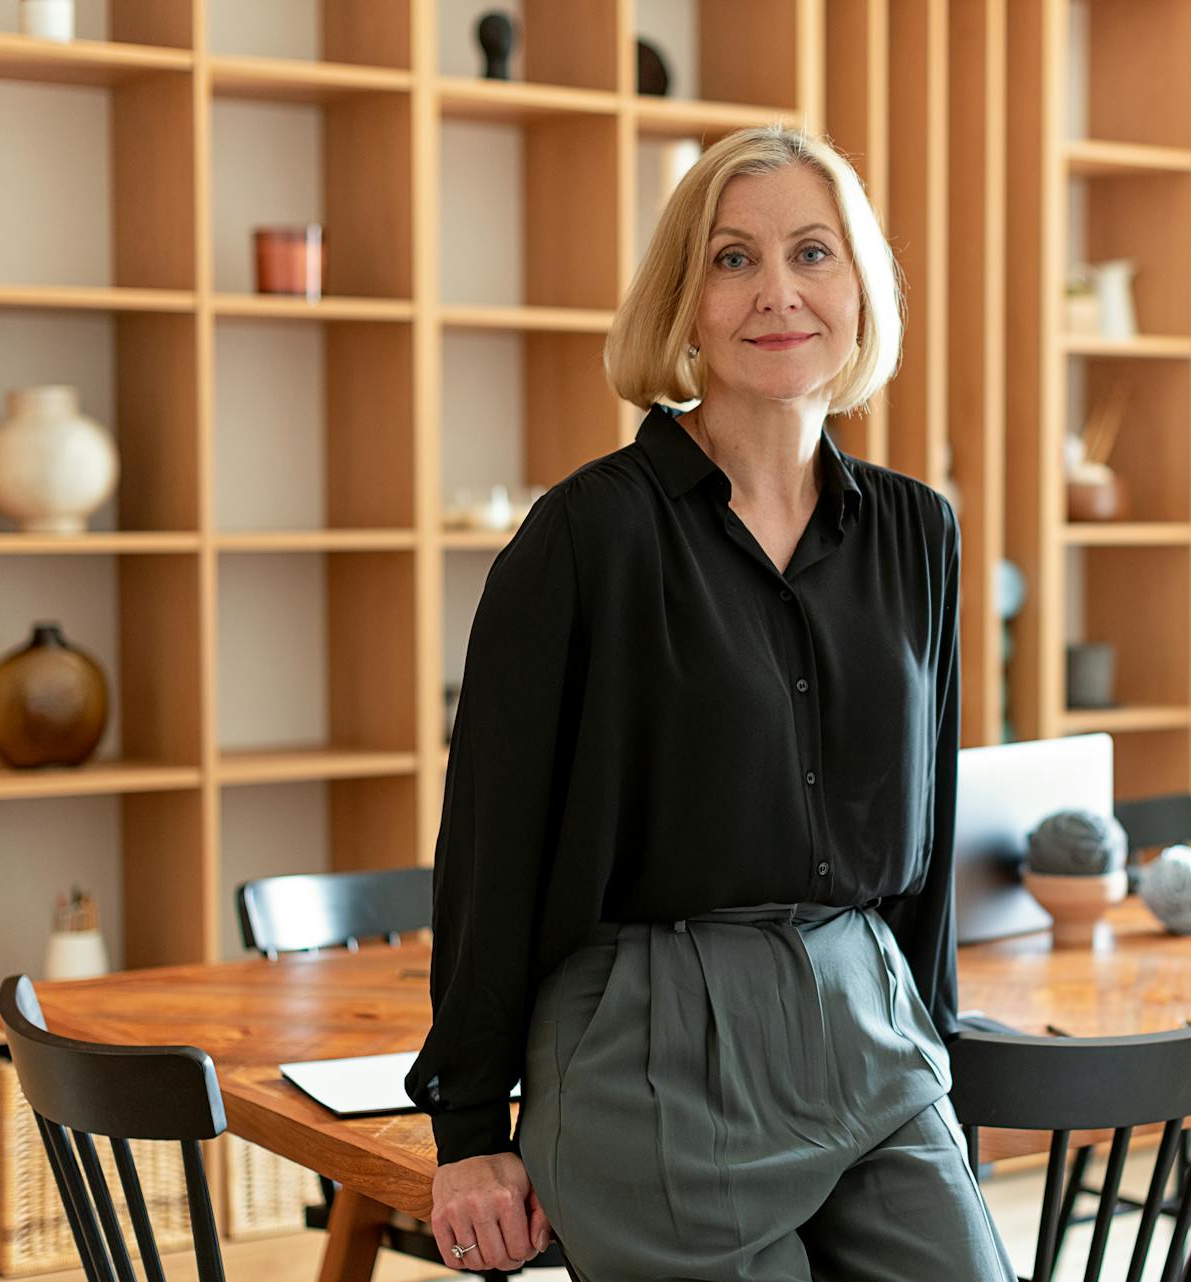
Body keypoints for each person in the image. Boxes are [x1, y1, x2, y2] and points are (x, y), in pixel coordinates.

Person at [404, 124, 1013, 1282]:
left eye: (813, 253)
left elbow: (924, 841)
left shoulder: (915, 530)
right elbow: (491, 846)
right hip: (649, 1042)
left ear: (861, 290)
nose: (778, 291)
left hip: (870, 1024)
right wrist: (470, 1129)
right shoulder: (586, 536)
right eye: (734, 259)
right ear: (683, 304)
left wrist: (940, 1066)